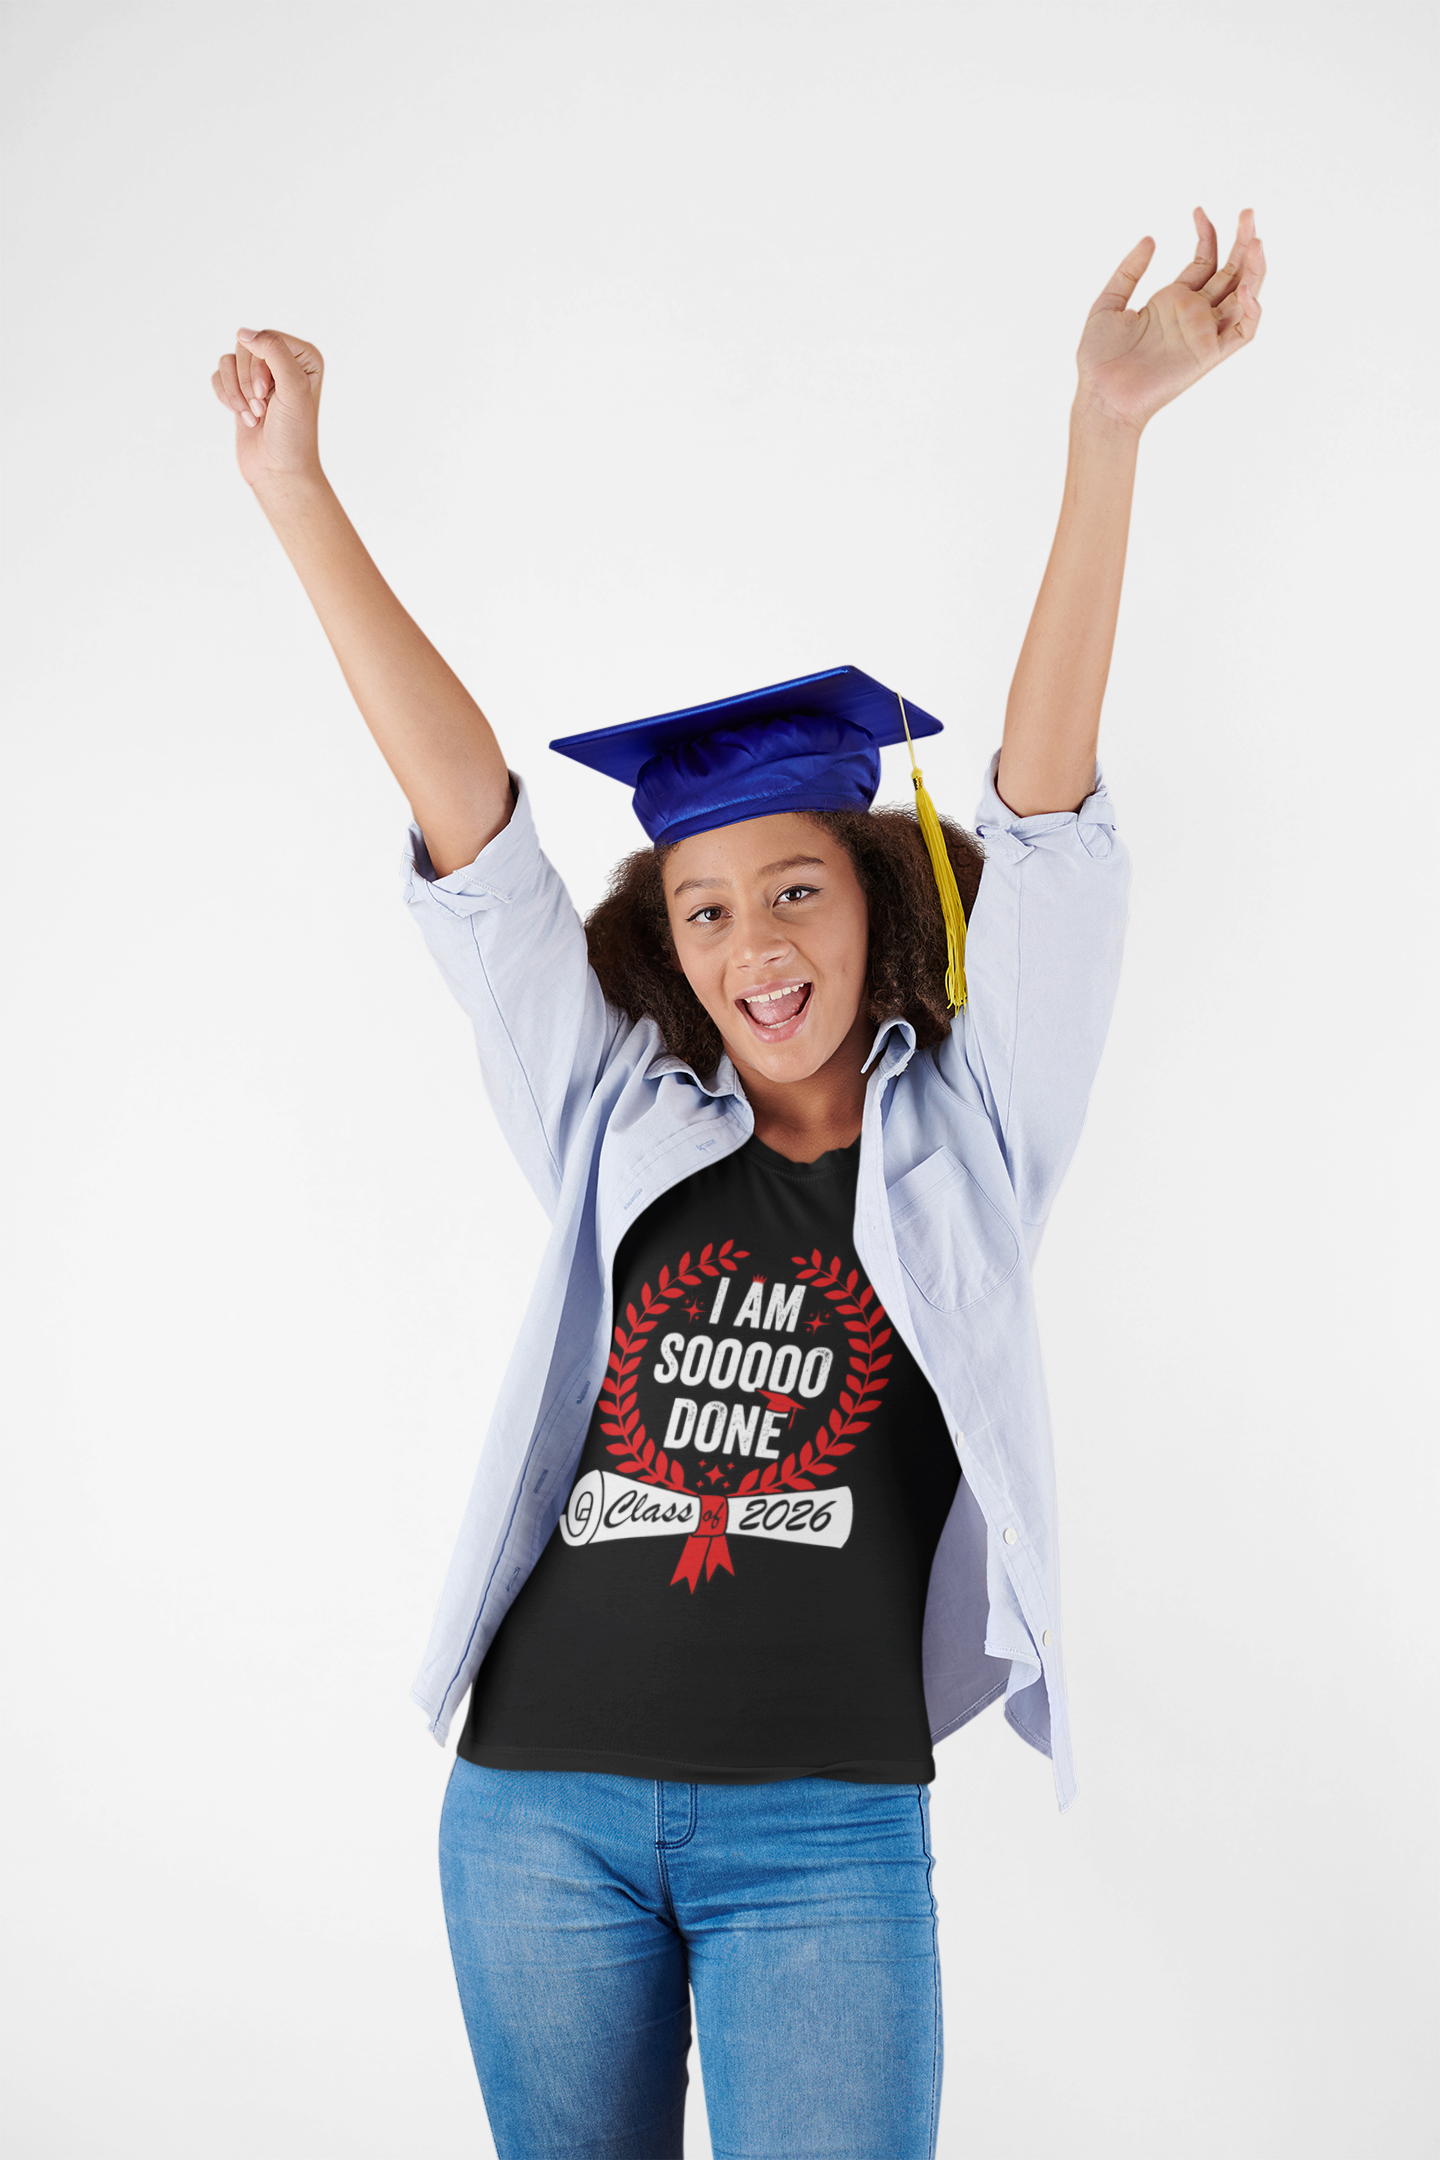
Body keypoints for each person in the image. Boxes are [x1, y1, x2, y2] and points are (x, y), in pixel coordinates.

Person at [212, 207, 1265, 2160]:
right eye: (704, 906)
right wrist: (298, 491)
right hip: (534, 1815)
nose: (751, 942)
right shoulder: (613, 1114)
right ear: (668, 938)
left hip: (823, 1831)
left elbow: (1040, 831)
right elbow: (477, 850)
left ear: (872, 908)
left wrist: (1103, 432)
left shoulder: (972, 1131)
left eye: (794, 889)